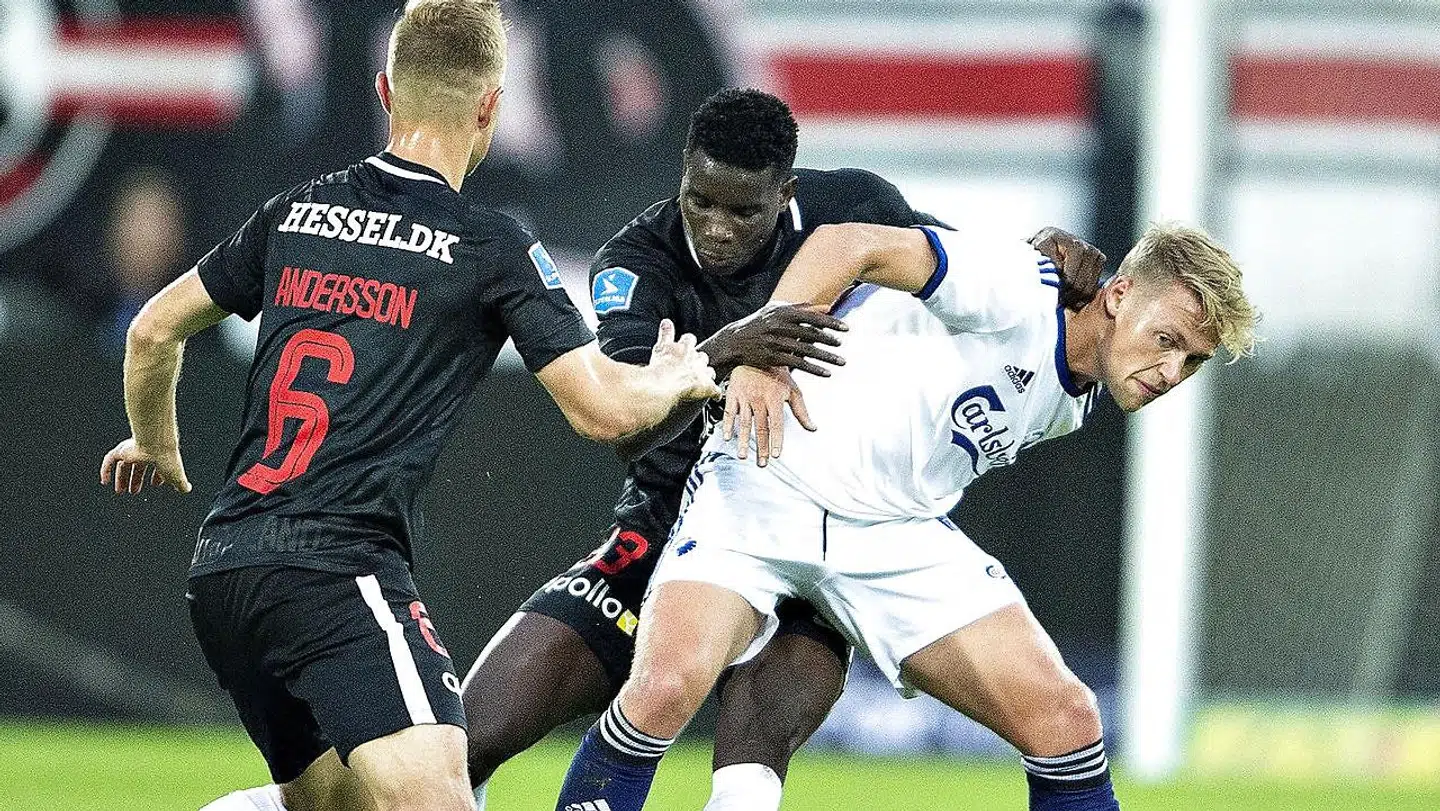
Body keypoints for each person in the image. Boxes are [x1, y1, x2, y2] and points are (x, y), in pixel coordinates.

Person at [98, 3, 718, 811]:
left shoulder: (297, 211)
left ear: (386, 91)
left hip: (227, 573)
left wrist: (155, 442)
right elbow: (602, 410)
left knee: (331, 807)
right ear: (492, 105)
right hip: (336, 572)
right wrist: (677, 373)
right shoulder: (487, 242)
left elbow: (152, 331)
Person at [459, 87, 1107, 811]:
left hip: (822, 520)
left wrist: (1038, 258)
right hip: (671, 520)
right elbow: (627, 429)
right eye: (700, 200)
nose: (717, 228)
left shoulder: (855, 206)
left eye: (743, 210)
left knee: (752, 759)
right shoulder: (639, 265)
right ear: (682, 174)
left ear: (787, 193)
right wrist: (725, 356)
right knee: (471, 740)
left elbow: (951, 271)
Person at [552, 219, 1257, 811]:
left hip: (894, 537)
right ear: (1121, 294)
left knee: (1067, 717)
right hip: (768, 479)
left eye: (1192, 361)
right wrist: (765, 354)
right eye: (1167, 339)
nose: (1171, 373)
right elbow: (843, 243)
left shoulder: (1078, 397)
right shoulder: (1018, 285)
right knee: (666, 686)